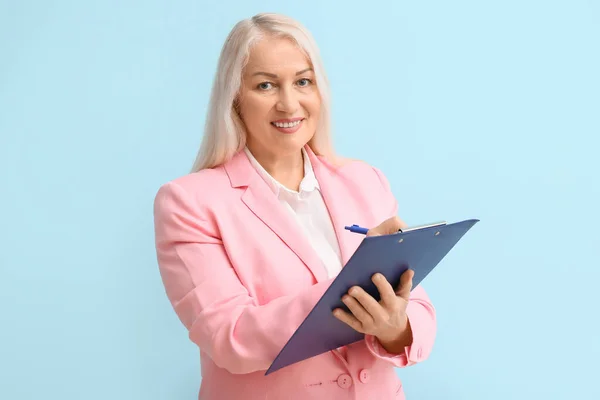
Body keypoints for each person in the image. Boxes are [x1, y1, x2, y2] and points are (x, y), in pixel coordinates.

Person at [153, 12, 436, 400]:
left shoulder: (365, 180)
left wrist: (393, 327)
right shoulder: (189, 203)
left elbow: (416, 308)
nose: (289, 104)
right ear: (234, 97)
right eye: (266, 85)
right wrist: (353, 286)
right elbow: (228, 336)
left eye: (303, 81)